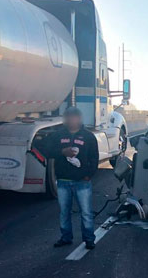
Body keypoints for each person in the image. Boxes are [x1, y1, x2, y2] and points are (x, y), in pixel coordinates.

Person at [46, 107, 99, 249]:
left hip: (82, 181)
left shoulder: (88, 136)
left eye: (74, 117)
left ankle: (89, 239)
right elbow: (47, 150)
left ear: (79, 119)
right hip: (63, 181)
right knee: (64, 212)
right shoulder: (58, 135)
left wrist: (88, 175)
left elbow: (94, 157)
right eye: (68, 117)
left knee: (86, 212)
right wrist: (62, 152)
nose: (71, 120)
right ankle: (66, 237)